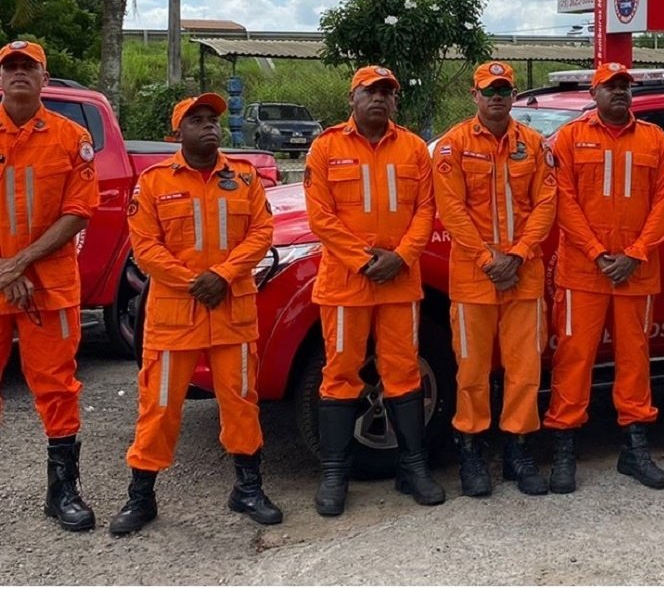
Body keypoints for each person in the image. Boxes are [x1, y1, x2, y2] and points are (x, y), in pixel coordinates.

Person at [111, 94, 280, 535]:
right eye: (197, 120)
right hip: (173, 316)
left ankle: (248, 488)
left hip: (231, 311)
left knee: (241, 403)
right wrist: (193, 281)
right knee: (159, 407)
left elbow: (263, 231)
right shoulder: (152, 183)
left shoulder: (243, 178)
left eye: (212, 120)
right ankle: (141, 497)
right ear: (177, 134)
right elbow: (144, 247)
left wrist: (222, 275)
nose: (208, 126)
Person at [304, 66, 443, 517]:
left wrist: (401, 257)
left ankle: (414, 467)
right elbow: (321, 217)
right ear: (353, 98)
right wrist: (365, 260)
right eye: (371, 92)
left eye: (388, 93)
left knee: (404, 372)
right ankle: (335, 473)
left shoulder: (414, 149)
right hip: (347, 285)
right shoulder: (326, 147)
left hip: (400, 283)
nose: (380, 99)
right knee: (341, 373)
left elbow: (426, 211)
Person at [543, 63, 664, 493]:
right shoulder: (569, 137)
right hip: (584, 272)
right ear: (594, 92)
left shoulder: (654, 139)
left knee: (635, 362)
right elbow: (562, 201)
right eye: (610, 86)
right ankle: (565, 451)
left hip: (635, 274)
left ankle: (634, 450)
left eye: (625, 86)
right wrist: (599, 253)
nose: (619, 92)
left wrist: (634, 254)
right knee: (574, 360)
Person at [432, 61, 556, 497]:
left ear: (514, 96)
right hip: (473, 278)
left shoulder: (535, 146)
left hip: (523, 275)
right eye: (489, 90)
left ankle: (518, 452)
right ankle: (471, 452)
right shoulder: (452, 147)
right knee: (472, 371)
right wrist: (489, 259)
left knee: (525, 370)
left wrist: (517, 256)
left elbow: (545, 204)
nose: (497, 97)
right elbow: (452, 211)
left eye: (504, 90)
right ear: (475, 95)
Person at [0, 40, 99, 532]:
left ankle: (62, 491)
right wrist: (6, 268)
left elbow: (78, 212)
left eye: (28, 67)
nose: (19, 73)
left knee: (57, 387)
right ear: (0, 79)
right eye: (10, 66)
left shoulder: (70, 136)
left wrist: (19, 264)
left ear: (45, 77)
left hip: (49, 285)